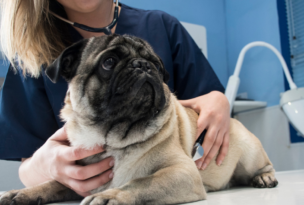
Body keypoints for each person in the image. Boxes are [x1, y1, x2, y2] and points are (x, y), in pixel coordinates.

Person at [0, 0, 230, 197]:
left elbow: (204, 108)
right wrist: (42, 167)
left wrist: (219, 100)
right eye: (109, 63)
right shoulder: (32, 52)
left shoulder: (163, 26)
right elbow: (27, 164)